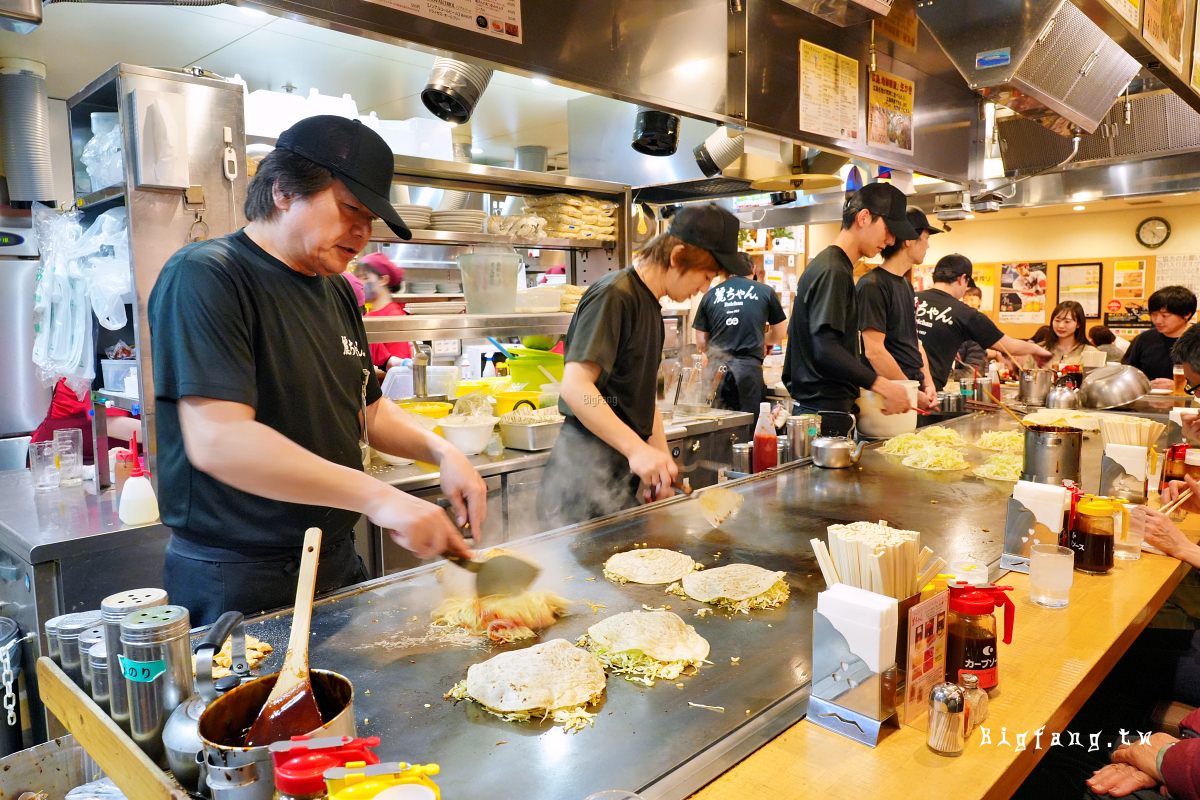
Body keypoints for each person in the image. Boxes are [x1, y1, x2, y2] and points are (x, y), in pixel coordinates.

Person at [148, 115, 487, 625]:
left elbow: (366, 409)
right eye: (351, 208)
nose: (362, 233)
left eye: (371, 219)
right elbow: (219, 440)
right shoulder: (207, 275)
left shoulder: (337, 290)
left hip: (334, 559)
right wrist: (379, 497)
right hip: (238, 578)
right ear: (284, 190)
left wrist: (441, 450)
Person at [537, 203, 744, 527]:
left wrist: (657, 464)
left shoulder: (651, 309)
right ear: (676, 257)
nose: (705, 288)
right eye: (706, 275)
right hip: (579, 484)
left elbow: (644, 401)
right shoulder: (614, 296)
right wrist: (637, 450)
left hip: (615, 484)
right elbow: (578, 390)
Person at [782, 183, 916, 419]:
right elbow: (825, 348)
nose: (891, 240)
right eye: (889, 229)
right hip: (821, 412)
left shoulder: (834, 265)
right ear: (864, 217)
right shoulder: (834, 270)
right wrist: (882, 385)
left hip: (823, 408)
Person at [914, 254, 1051, 390]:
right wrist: (1037, 350)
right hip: (927, 393)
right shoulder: (965, 314)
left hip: (898, 386)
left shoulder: (910, 298)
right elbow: (1009, 345)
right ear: (962, 279)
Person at [855, 206, 941, 410]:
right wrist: (909, 392)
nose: (928, 246)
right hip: (888, 397)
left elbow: (914, 342)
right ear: (910, 239)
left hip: (910, 387)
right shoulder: (872, 285)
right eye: (926, 238)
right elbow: (874, 351)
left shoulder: (905, 284)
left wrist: (928, 383)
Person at [693, 253, 787, 412]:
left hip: (716, 373)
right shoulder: (765, 292)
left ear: (726, 271)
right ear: (753, 269)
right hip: (748, 373)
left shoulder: (710, 295)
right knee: (748, 426)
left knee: (717, 424)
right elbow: (780, 333)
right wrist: (760, 339)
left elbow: (701, 342)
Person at [1124, 286, 1197, 389]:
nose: (1157, 320)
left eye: (1165, 315)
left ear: (1187, 315)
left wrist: (1181, 387)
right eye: (1153, 314)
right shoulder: (1144, 339)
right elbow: (1129, 374)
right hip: (1149, 402)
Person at [355, 251, 412, 371]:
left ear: (383, 280)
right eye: (358, 278)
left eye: (365, 277)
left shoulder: (393, 316)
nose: (360, 283)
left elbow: (399, 369)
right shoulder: (368, 315)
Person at [1020, 301, 1099, 369]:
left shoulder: (1092, 353)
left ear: (1078, 324)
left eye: (1067, 321)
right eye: (1057, 320)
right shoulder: (1039, 350)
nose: (1061, 326)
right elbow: (1026, 377)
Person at [954, 286, 990, 379]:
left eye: (972, 299)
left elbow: (973, 372)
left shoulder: (980, 324)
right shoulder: (958, 323)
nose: (968, 303)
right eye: (965, 299)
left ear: (980, 301)